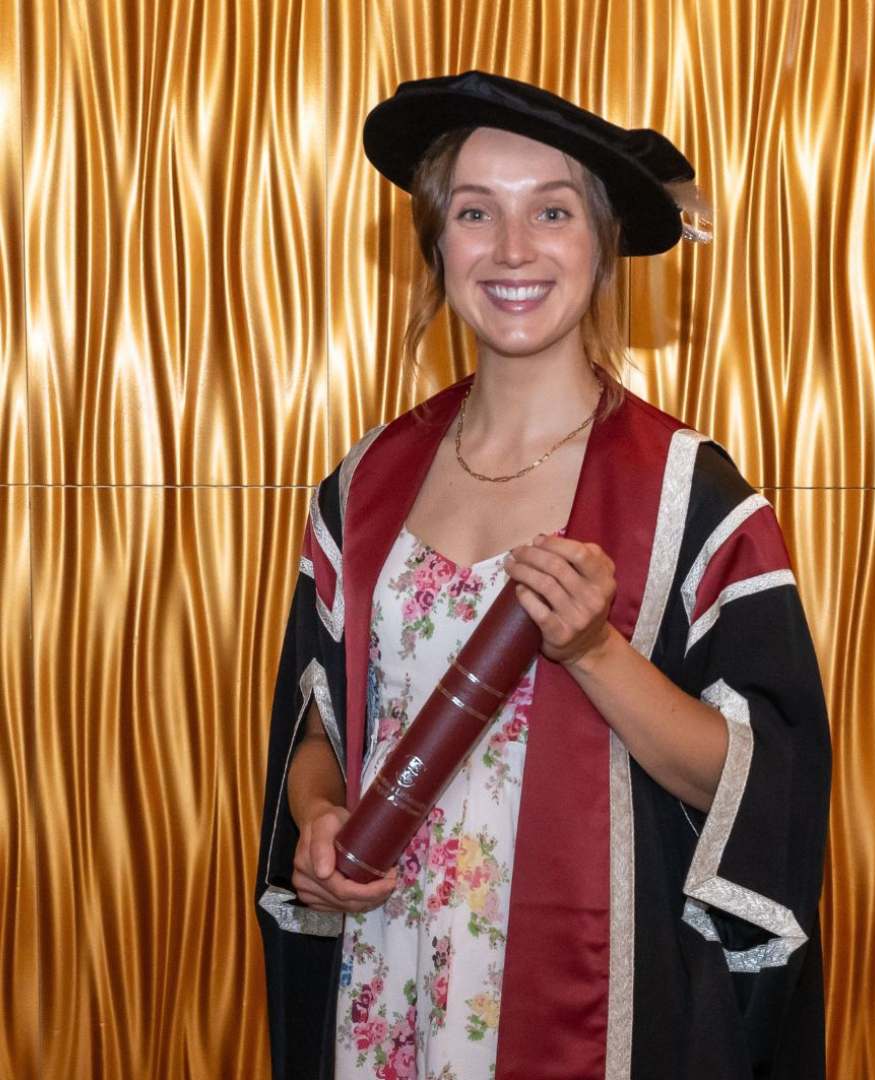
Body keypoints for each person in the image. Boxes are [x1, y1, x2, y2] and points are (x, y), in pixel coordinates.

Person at [255, 71, 831, 1080]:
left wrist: (595, 650)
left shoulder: (690, 496)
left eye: (552, 212)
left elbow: (761, 784)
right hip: (388, 979)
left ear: (603, 246)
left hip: (585, 1002)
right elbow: (320, 730)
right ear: (438, 244)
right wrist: (317, 819)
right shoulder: (366, 484)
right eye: (476, 212)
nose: (513, 250)